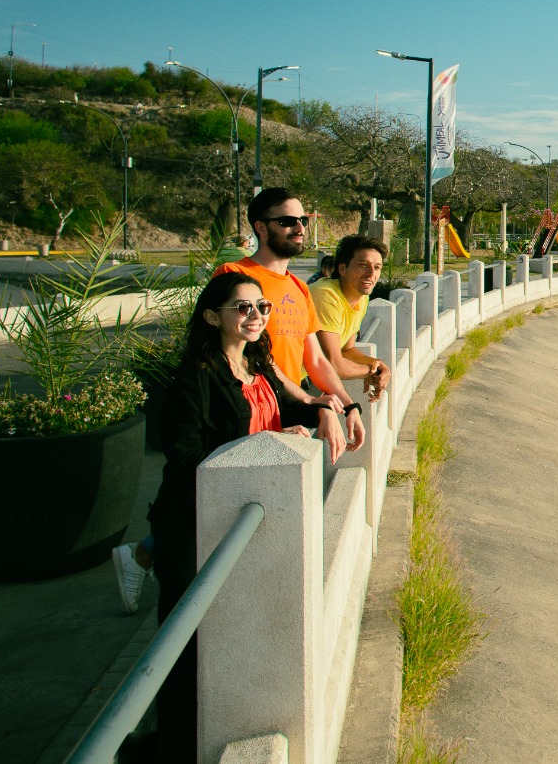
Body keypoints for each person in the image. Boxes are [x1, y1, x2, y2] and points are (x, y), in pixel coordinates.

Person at [136, 271, 351, 761]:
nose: (256, 316)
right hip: (191, 527)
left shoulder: (256, 362)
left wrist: (322, 411)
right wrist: (264, 443)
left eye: (262, 307)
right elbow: (185, 457)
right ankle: (173, 748)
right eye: (243, 308)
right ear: (213, 317)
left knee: (230, 637)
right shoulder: (195, 377)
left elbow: (279, 414)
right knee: (185, 645)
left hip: (243, 521)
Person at [214, 188, 365, 451]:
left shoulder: (299, 287)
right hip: (248, 414)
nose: (300, 228)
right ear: (261, 228)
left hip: (288, 410)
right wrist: (310, 402)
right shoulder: (233, 275)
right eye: (287, 221)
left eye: (302, 220)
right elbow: (245, 356)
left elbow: (315, 360)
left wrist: (349, 406)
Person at [311, 235, 392, 400]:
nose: (371, 274)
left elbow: (346, 350)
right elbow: (335, 364)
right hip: (280, 379)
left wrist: (377, 364)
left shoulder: (360, 298)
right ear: (342, 269)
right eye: (363, 265)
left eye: (377, 267)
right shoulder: (326, 295)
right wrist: (370, 370)